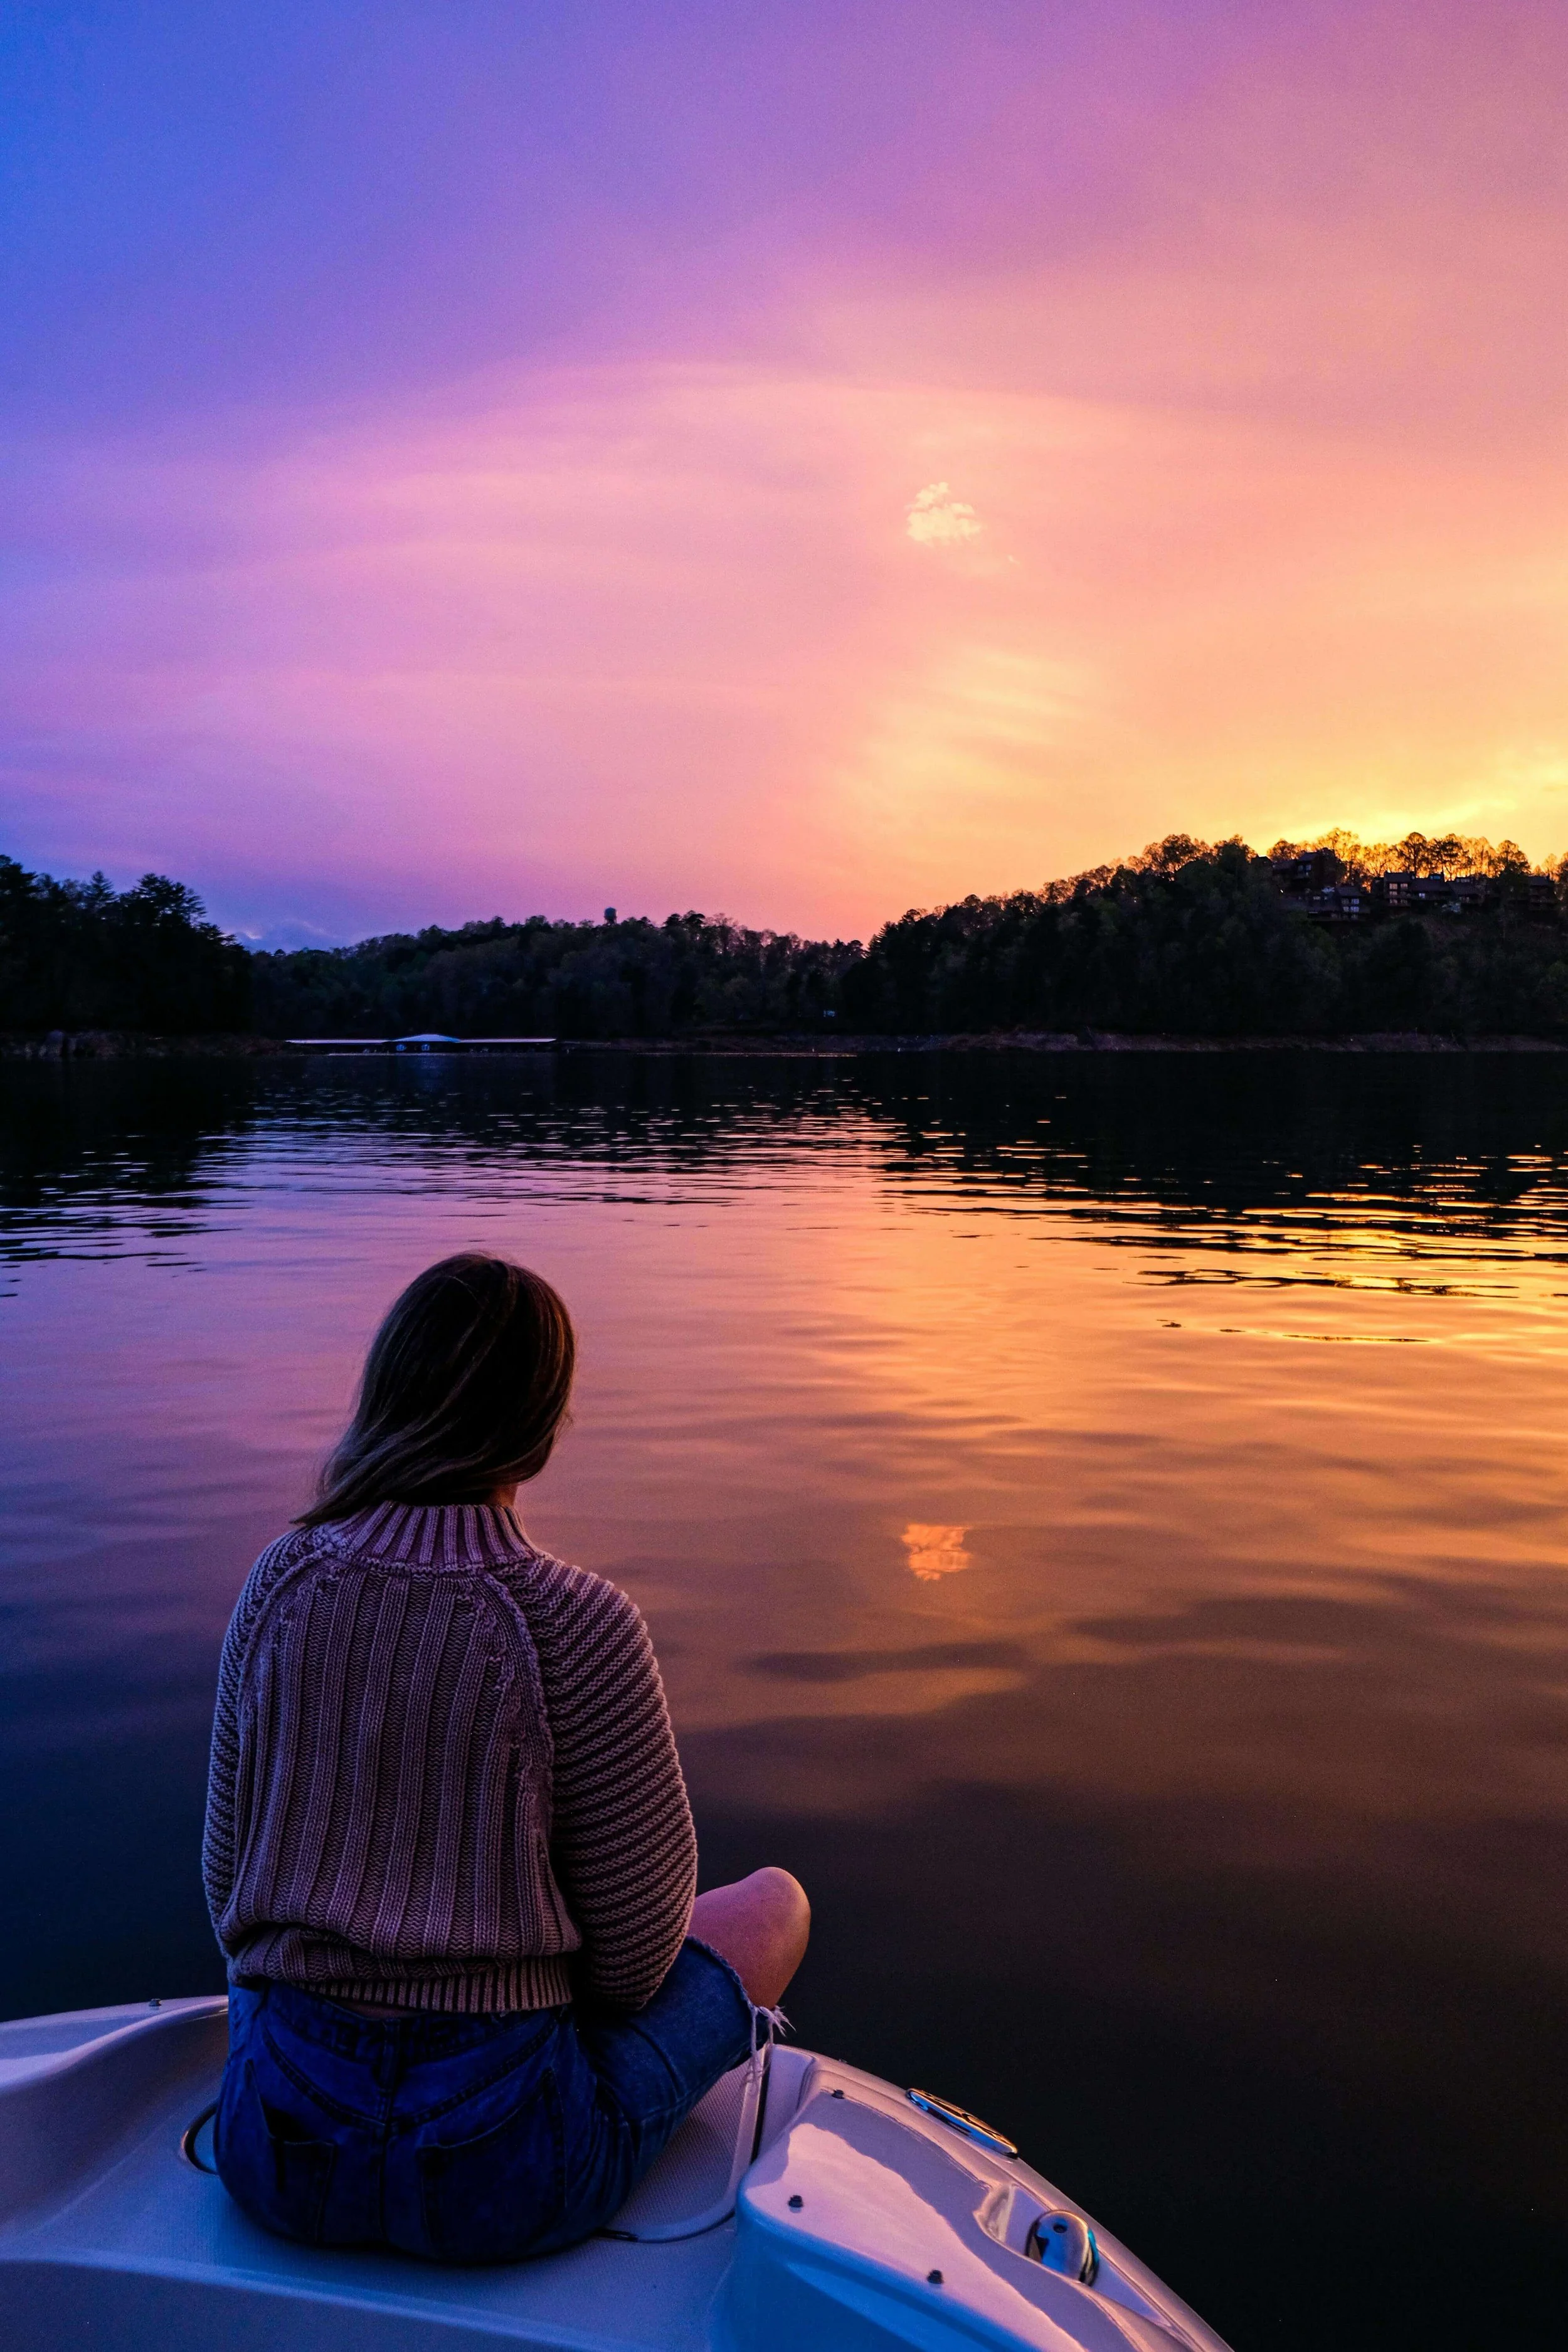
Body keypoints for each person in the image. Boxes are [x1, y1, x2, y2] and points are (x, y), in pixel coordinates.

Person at [201, 1251, 810, 2262]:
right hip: (503, 2173)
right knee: (776, 1903)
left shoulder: (278, 1584)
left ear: (384, 1391)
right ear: (542, 1422)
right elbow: (630, 1968)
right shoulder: (580, 1624)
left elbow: (230, 1898)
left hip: (277, 2156)